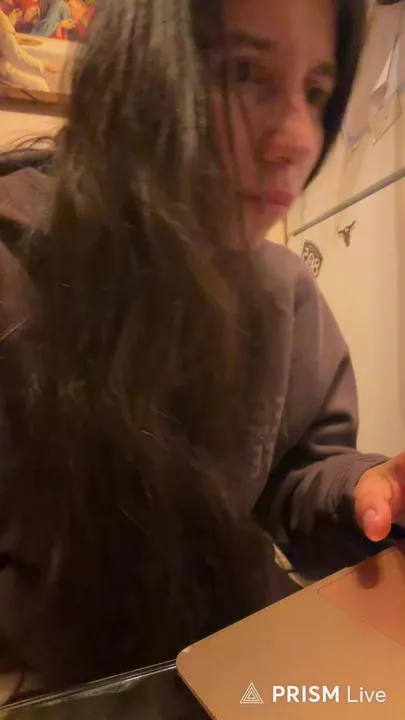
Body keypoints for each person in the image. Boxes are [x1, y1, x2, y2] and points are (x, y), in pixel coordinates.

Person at [0, 0, 404, 706]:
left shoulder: (284, 295)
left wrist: (361, 492)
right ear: (139, 71)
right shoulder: (15, 270)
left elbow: (293, 478)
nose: (297, 139)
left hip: (227, 674)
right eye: (244, 72)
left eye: (315, 92)